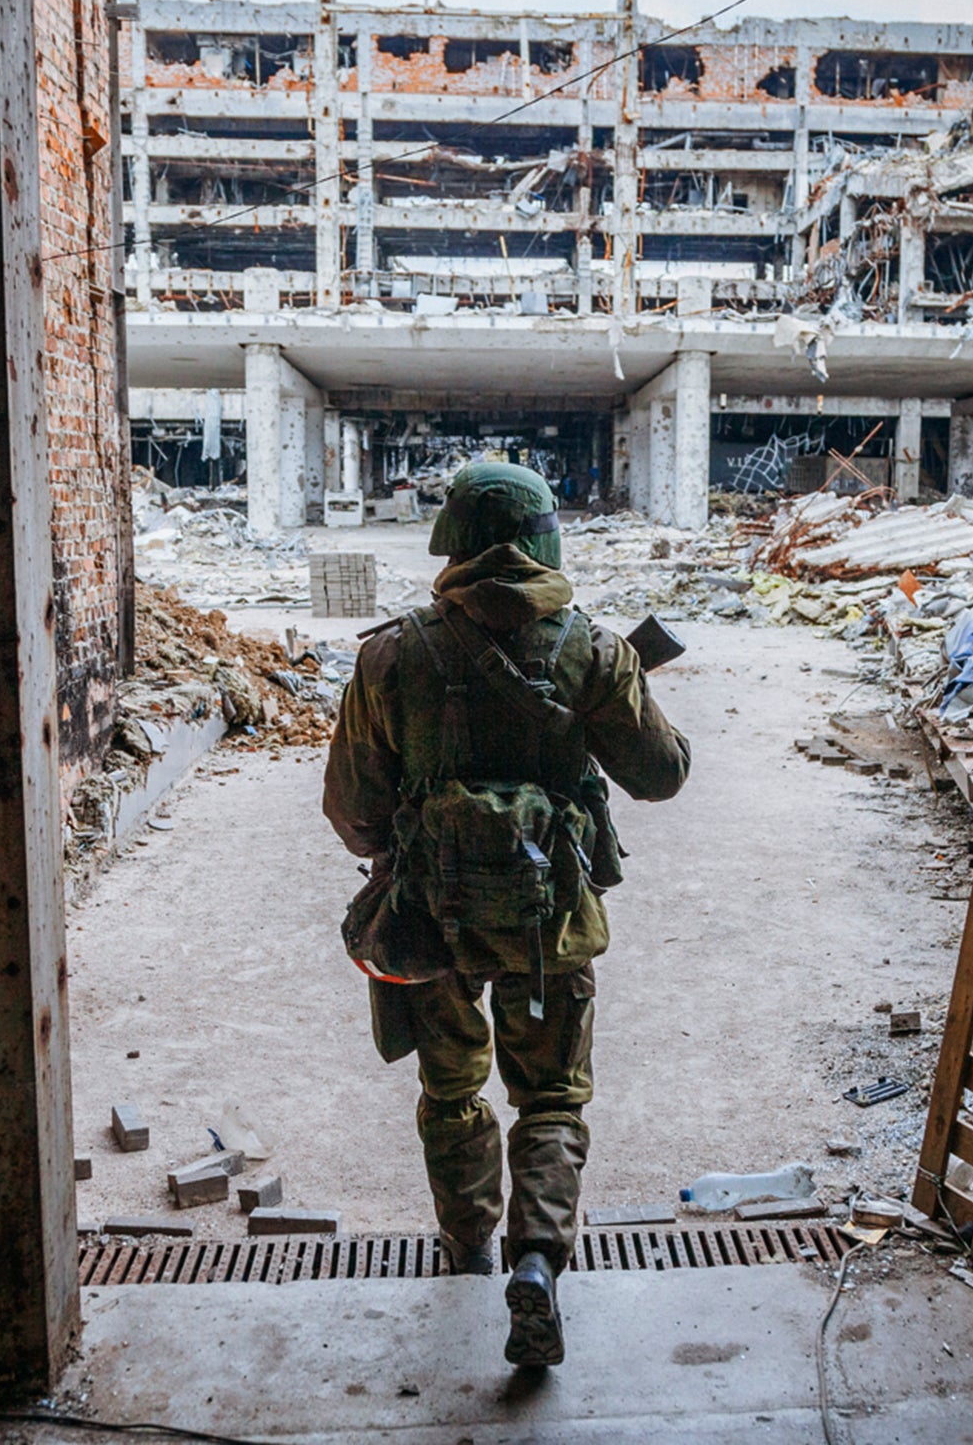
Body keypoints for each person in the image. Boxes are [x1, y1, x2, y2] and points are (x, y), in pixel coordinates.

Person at [323, 462, 690, 1367]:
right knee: (552, 1094)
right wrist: (626, 681)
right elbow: (663, 774)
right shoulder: (592, 652)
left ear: (449, 542)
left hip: (429, 927)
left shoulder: (391, 655)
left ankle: (469, 1248)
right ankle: (537, 1263)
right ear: (546, 540)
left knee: (451, 1092)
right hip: (549, 929)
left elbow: (352, 810)